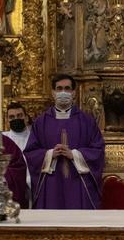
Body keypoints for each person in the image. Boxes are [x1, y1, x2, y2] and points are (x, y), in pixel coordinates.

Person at [25, 74, 105, 209]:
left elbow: (98, 151)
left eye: (67, 88)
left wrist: (74, 155)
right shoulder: (41, 122)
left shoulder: (87, 121)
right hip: (50, 185)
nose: (63, 92)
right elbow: (31, 152)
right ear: (53, 93)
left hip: (78, 183)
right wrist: (50, 154)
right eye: (59, 88)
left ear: (74, 93)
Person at [3, 102, 32, 205]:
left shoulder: (36, 137)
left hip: (33, 184)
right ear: (7, 120)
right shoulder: (2, 139)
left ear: (26, 117)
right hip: (12, 185)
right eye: (12, 117)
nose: (16, 119)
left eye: (19, 115)